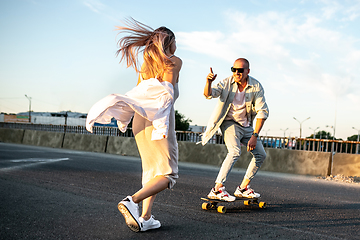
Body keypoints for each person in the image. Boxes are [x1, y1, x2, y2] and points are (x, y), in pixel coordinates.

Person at [86, 18, 182, 232]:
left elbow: (138, 95)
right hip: (160, 116)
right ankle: (133, 201)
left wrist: (124, 117)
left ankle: (146, 218)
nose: (177, 45)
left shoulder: (146, 67)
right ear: (169, 42)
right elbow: (167, 93)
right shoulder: (174, 60)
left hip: (140, 118)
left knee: (152, 171)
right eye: (175, 41)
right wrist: (161, 123)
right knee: (168, 174)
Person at [202, 58, 269, 201]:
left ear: (248, 71)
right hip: (229, 123)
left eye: (240, 70)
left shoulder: (256, 86)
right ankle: (217, 189)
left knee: (261, 155)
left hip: (246, 126)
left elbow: (262, 112)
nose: (236, 73)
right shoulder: (226, 82)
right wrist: (209, 82)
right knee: (234, 151)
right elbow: (209, 94)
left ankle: (243, 187)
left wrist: (255, 135)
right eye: (234, 69)